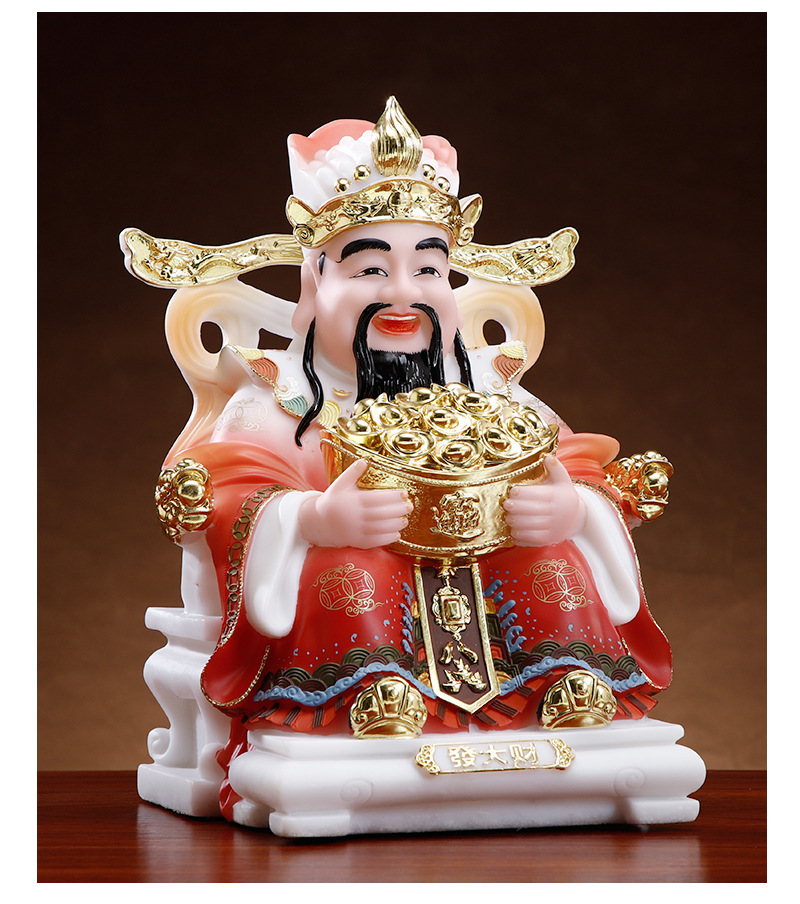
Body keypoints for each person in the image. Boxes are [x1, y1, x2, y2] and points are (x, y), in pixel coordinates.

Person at [144, 98, 673, 820]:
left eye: (429, 270)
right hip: (359, 608)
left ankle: (566, 681)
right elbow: (229, 488)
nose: (402, 295)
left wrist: (572, 506)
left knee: (549, 546)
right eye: (369, 269)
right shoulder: (281, 394)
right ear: (313, 287)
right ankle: (368, 691)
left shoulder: (488, 385)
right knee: (350, 560)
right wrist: (310, 519)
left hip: (494, 597)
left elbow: (575, 465)